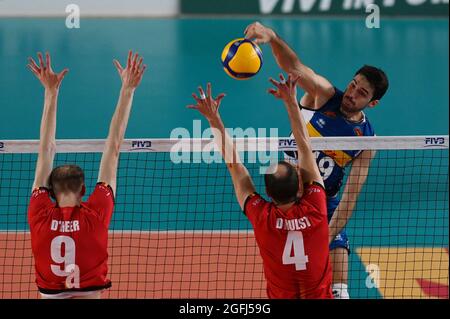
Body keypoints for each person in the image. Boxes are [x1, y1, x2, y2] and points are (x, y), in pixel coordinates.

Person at [244, 21, 389, 298]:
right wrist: (273, 37)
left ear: (373, 103)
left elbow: (350, 198)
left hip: (324, 201)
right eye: (353, 84)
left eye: (362, 93)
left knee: (340, 290)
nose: (351, 94)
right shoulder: (323, 95)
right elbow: (295, 67)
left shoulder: (366, 141)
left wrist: (326, 234)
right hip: (288, 193)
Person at [187, 75, 333, 299]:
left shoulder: (262, 216)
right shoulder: (316, 205)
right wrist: (291, 101)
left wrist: (213, 118)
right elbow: (304, 147)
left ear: (268, 194)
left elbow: (234, 165)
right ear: (300, 189)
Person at [26, 51, 146, 299]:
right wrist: (128, 89)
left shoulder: (39, 213)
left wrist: (50, 93)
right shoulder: (96, 213)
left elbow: (45, 150)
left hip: (50, 291)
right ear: (83, 191)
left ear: (50, 190)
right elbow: (113, 149)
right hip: (90, 292)